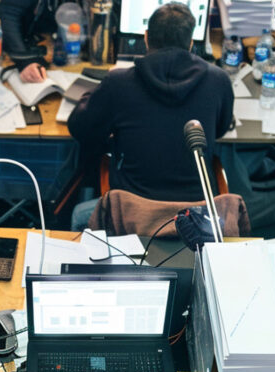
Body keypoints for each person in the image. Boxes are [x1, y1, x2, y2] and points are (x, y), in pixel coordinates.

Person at [67, 2, 233, 226]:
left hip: (133, 211)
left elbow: (80, 128)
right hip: (197, 215)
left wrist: (93, 94)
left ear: (146, 37)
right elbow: (220, 129)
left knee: (79, 212)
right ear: (191, 43)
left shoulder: (118, 82)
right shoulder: (218, 80)